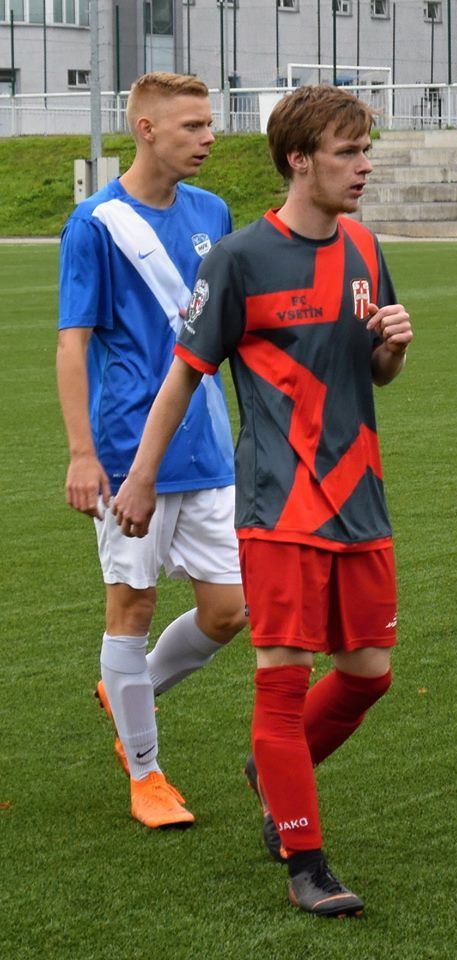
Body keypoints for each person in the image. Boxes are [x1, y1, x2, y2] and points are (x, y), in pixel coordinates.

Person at [111, 84, 413, 917]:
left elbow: (375, 373)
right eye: (348, 152)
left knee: (368, 676)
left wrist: (391, 349)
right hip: (280, 506)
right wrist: (140, 476)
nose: (364, 165)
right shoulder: (238, 259)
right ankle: (306, 862)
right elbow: (184, 376)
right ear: (299, 160)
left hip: (361, 497)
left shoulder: (364, 246)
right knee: (282, 681)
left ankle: (272, 772)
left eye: (365, 149)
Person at [56, 72, 247, 830]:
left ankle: (125, 690)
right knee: (131, 606)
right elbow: (72, 346)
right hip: (128, 454)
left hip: (208, 447)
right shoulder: (96, 224)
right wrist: (81, 453)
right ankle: (146, 774)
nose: (208, 138)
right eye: (192, 126)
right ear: (145, 129)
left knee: (229, 612)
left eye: (208, 124)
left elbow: (222, 327)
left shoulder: (212, 212)